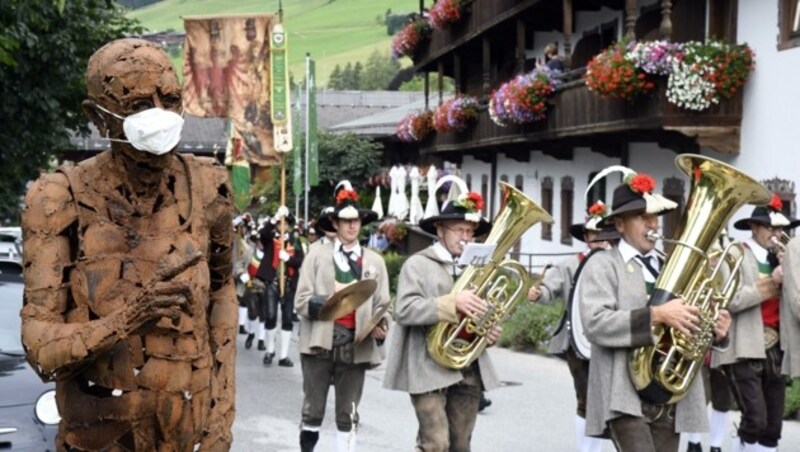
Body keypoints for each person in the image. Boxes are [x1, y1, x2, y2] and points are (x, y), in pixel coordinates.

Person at [19, 38, 236, 450]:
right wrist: (128, 318)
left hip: (188, 436)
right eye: (138, 105)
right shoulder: (58, 198)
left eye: (169, 99)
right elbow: (39, 348)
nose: (159, 115)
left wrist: (221, 417)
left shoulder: (208, 186)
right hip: (97, 437)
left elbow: (223, 293)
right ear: (98, 118)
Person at [578, 169, 731, 452]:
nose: (652, 225)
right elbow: (595, 323)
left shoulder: (669, 266)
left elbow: (687, 334)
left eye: (654, 217)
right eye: (642, 217)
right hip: (622, 393)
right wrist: (657, 315)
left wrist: (715, 333)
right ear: (620, 225)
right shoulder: (603, 265)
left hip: (668, 392)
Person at [383, 186, 502, 452]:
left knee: (461, 445)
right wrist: (452, 303)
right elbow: (403, 309)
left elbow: (485, 312)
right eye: (459, 230)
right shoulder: (418, 264)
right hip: (427, 366)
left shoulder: (477, 268)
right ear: (440, 230)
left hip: (468, 368)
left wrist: (490, 331)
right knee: (435, 444)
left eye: (470, 231)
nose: (466, 237)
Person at [294, 182, 391, 452]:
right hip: (319, 344)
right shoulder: (316, 255)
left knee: (348, 413)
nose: (351, 226)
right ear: (334, 223)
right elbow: (300, 301)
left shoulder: (375, 262)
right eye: (346, 221)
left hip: (356, 344)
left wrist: (380, 325)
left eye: (356, 220)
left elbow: (384, 305)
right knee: (313, 410)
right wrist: (332, 301)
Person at [711, 194, 799, 452]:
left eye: (781, 228)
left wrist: (793, 271)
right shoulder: (736, 254)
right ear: (754, 227)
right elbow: (728, 299)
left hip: (777, 347)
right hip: (742, 346)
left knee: (773, 427)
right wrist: (772, 282)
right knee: (756, 419)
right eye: (771, 227)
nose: (777, 233)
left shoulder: (787, 257)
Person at [528, 200, 616, 452]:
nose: (599, 239)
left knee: (608, 399)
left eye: (603, 234)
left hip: (608, 340)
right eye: (594, 234)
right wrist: (538, 293)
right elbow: (549, 288)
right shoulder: (569, 264)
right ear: (586, 237)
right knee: (586, 400)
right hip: (577, 342)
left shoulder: (617, 264)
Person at [256, 206, 304, 367]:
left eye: (285, 223)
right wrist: (273, 218)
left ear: (289, 226)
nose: (282, 226)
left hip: (289, 284)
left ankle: (283, 356)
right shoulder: (270, 239)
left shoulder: (295, 242)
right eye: (279, 223)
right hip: (272, 283)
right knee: (270, 316)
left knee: (288, 319)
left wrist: (288, 259)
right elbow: (262, 234)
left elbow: (300, 261)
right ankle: (270, 350)